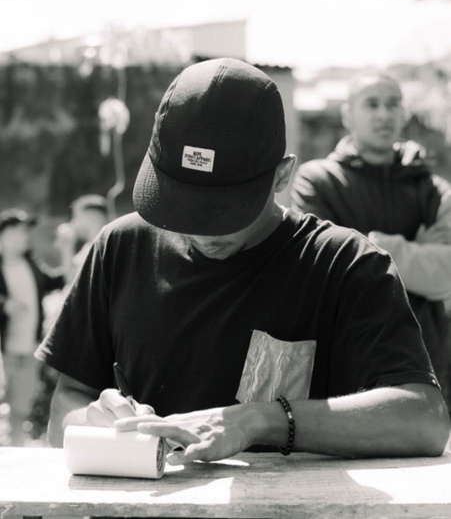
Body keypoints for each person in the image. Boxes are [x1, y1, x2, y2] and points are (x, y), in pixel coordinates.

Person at [36, 59, 450, 463]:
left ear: (282, 176)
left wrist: (263, 420)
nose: (202, 230)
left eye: (224, 210)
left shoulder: (346, 266)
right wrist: (99, 424)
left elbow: (424, 419)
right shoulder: (120, 247)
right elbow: (68, 402)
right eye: (181, 203)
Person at [291, 71, 451, 409]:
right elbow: (326, 273)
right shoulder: (318, 181)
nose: (383, 114)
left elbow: (447, 274)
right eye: (372, 104)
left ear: (403, 113)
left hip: (428, 369)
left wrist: (366, 244)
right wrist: (416, 250)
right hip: (347, 372)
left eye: (393, 104)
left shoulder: (434, 190)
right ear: (347, 115)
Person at [0, 209, 64, 445]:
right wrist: (4, 304)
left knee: (19, 412)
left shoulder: (31, 264)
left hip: (28, 351)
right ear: (5, 234)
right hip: (4, 353)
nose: (27, 236)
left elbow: (58, 281)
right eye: (21, 231)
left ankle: (13, 454)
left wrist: (66, 249)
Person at [56, 195, 109, 285]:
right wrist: (67, 248)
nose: (73, 222)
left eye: (75, 216)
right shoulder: (88, 247)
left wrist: (67, 249)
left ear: (89, 217)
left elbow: (74, 283)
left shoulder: (104, 247)